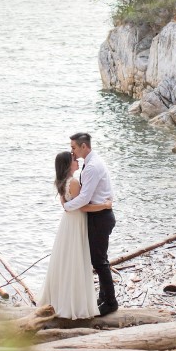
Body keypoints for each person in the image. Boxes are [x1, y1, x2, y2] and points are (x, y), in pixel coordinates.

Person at [38, 150, 112, 319]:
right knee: (76, 259)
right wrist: (105, 205)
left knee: (66, 258)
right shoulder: (73, 183)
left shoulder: (61, 182)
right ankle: (74, 302)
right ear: (68, 164)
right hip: (76, 221)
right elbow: (83, 206)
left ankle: (60, 297)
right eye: (73, 159)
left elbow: (68, 204)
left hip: (68, 223)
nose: (77, 160)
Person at [63, 132, 118, 315]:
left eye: (73, 147)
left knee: (99, 261)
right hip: (99, 215)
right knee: (99, 258)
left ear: (83, 146)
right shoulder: (91, 162)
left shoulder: (92, 166)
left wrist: (67, 206)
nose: (72, 151)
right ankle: (103, 297)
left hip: (101, 217)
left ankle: (110, 302)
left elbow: (85, 197)